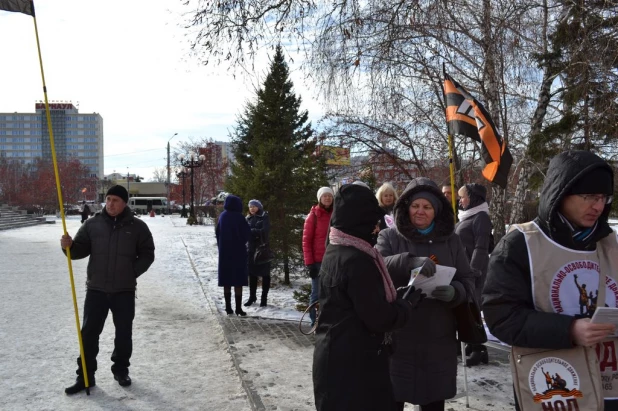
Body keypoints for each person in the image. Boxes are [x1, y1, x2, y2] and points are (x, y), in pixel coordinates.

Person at [482, 150, 618, 410]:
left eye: (603, 197)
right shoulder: (520, 244)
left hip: (609, 380)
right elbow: (501, 317)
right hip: (555, 384)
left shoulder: (610, 243)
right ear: (561, 193)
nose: (598, 206)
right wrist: (569, 330)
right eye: (589, 196)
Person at [313, 183, 430, 411]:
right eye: (371, 222)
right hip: (354, 367)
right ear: (358, 221)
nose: (376, 228)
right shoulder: (357, 259)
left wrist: (394, 299)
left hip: (338, 358)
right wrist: (405, 304)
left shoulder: (337, 247)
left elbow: (360, 302)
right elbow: (379, 317)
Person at [377, 177, 476, 411]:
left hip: (438, 335)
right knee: (392, 398)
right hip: (398, 334)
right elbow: (376, 268)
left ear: (436, 211)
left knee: (433, 401)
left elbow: (468, 278)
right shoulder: (389, 237)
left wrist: (456, 292)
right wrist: (407, 261)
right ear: (405, 207)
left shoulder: (451, 241)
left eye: (427, 207)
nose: (420, 211)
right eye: (415, 206)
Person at [60, 185, 155, 395]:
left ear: (125, 203)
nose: (110, 204)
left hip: (124, 291)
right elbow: (77, 252)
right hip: (96, 290)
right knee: (88, 334)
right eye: (109, 199)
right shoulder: (92, 224)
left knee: (123, 334)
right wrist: (68, 246)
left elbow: (148, 254)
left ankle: (121, 370)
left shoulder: (138, 227)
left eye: (116, 200)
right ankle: (85, 375)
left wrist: (131, 272)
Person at [454, 183, 492, 366]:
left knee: (473, 308)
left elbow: (481, 246)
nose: (460, 201)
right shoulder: (467, 216)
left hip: (474, 272)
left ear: (473, 197)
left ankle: (479, 349)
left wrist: (473, 270)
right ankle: (471, 342)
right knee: (466, 307)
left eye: (463, 197)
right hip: (464, 270)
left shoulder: (481, 217)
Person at [302, 187, 334, 326]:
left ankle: (327, 320)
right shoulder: (313, 216)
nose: (327, 198)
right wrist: (310, 263)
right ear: (319, 198)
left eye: (329, 196)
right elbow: (306, 241)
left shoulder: (336, 215)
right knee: (316, 293)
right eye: (324, 196)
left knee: (331, 292)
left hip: (333, 260)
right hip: (317, 262)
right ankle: (313, 321)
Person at [216, 194, 251, 316]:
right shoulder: (240, 217)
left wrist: (221, 246)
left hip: (225, 253)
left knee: (227, 281)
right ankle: (238, 309)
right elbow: (247, 234)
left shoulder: (222, 216)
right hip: (238, 253)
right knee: (238, 281)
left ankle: (228, 308)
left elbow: (217, 233)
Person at [244, 199, 271, 307]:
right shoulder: (247, 218)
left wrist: (251, 231)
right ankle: (252, 297)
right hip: (250, 249)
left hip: (262, 249)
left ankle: (264, 298)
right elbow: (244, 232)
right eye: (250, 207)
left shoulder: (264, 216)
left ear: (259, 207)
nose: (252, 208)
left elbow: (265, 231)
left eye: (254, 206)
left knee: (265, 275)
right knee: (252, 274)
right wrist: (254, 232)